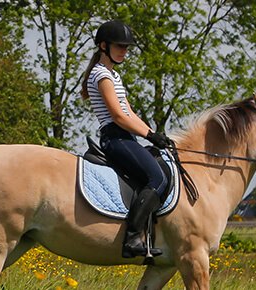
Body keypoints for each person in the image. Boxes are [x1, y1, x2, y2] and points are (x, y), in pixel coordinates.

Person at [80, 20, 172, 258]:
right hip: (116, 138)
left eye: (126, 47)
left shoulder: (114, 75)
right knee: (158, 179)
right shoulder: (101, 75)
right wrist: (149, 135)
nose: (124, 51)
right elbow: (119, 116)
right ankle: (132, 239)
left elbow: (130, 113)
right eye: (119, 46)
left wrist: (155, 136)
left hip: (127, 137)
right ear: (103, 46)